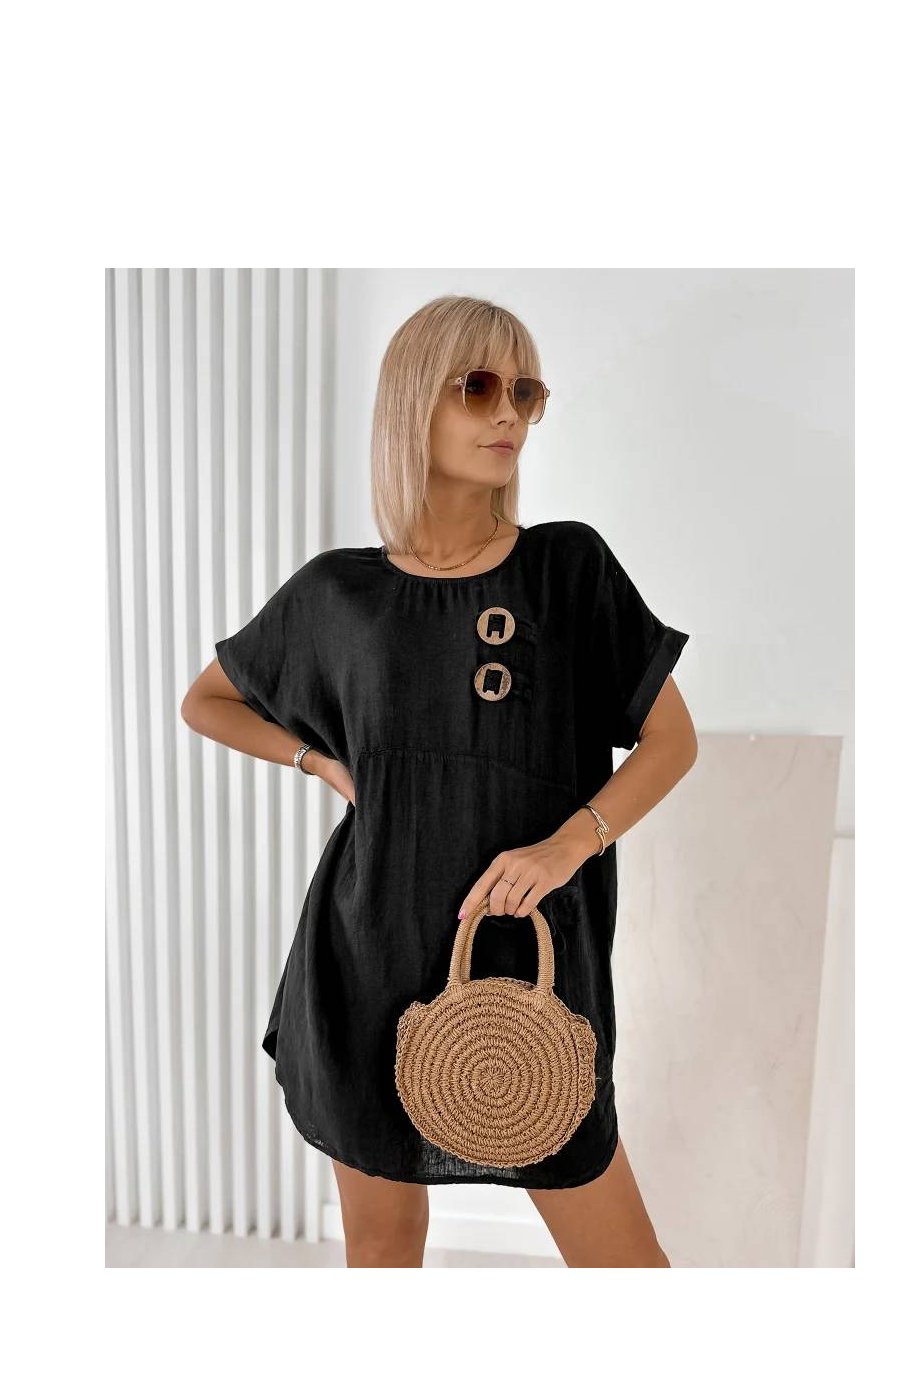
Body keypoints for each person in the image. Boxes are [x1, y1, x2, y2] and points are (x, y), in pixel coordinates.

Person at [181, 295, 697, 1268]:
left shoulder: (567, 568)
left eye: (526, 392)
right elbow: (206, 701)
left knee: (625, 1263)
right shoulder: (339, 594)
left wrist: (567, 846)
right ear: (413, 400)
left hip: (532, 960)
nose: (508, 414)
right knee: (382, 1251)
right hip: (365, 954)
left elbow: (672, 742)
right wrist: (318, 760)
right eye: (478, 387)